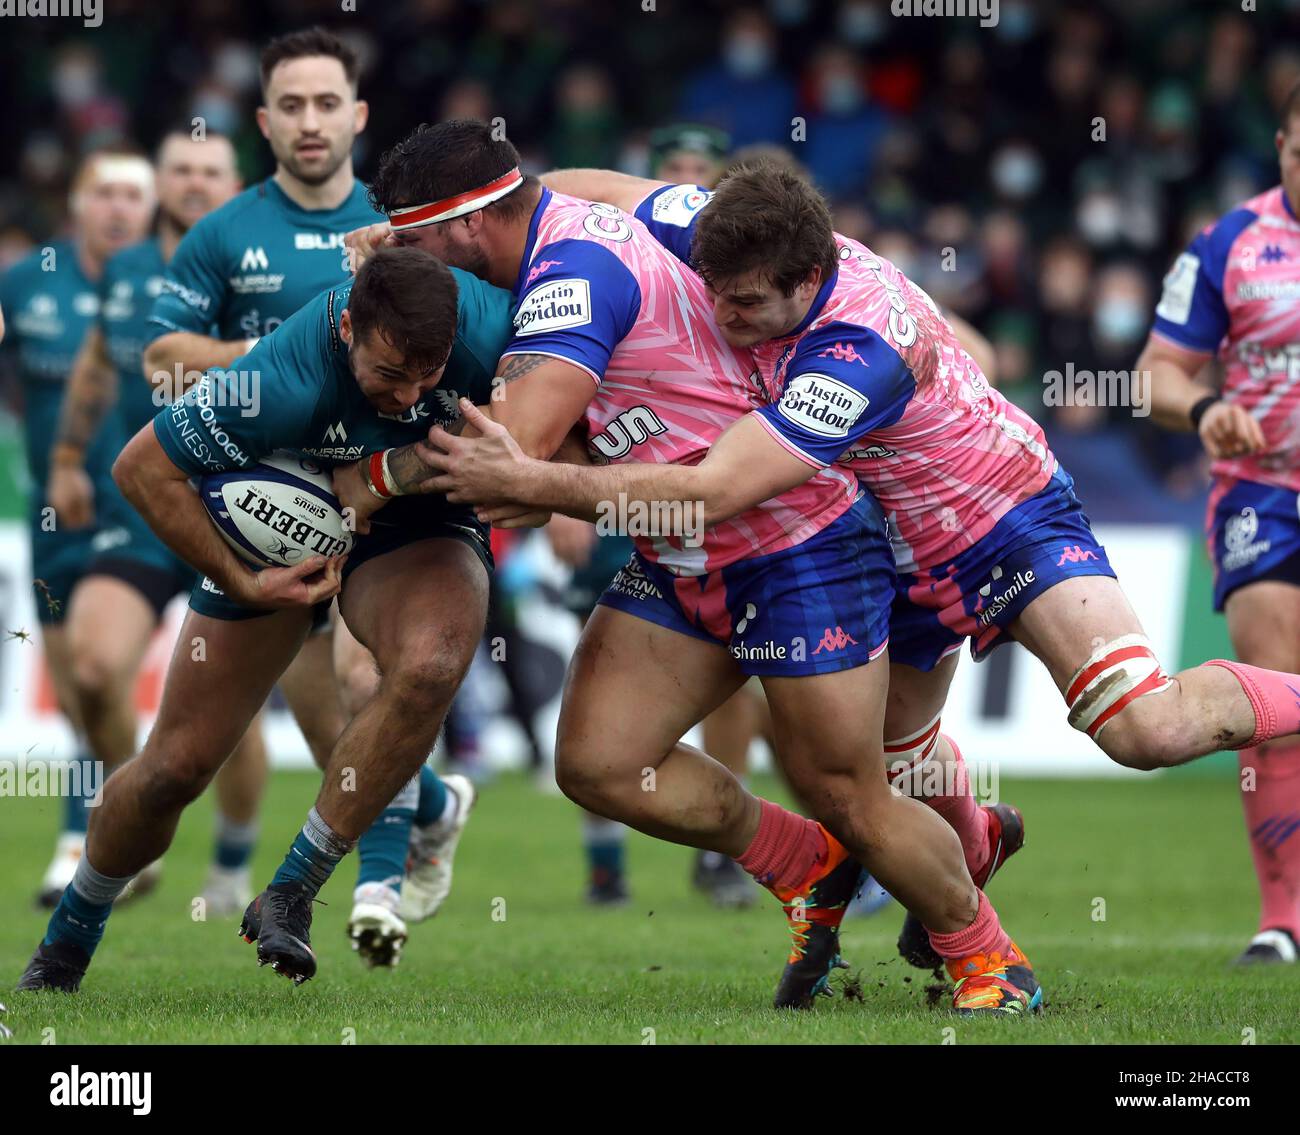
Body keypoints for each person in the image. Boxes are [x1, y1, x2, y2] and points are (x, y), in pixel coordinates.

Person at [436, 160, 1300, 981]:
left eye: (742, 307)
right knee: (890, 770)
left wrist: (534, 483)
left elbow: (714, 489)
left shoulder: (855, 348)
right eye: (715, 296)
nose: (720, 319)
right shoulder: (732, 241)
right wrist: (437, 232)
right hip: (890, 538)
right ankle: (973, 847)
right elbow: (587, 195)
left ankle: (984, 918)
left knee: (1141, 729)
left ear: (807, 284)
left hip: (1002, 518)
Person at [342, 120, 1040, 1015]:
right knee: (599, 760)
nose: (404, 251)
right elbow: (588, 187)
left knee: (844, 788)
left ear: (473, 225)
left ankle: (988, 957)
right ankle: (808, 866)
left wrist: (374, 464)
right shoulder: (566, 217)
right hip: (683, 544)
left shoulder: (569, 279)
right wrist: (553, 476)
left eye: (413, 233)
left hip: (794, 544)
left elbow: (506, 457)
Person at [17, 246, 501, 993]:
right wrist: (247, 576)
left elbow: (548, 432)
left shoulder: (489, 326)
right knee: (173, 768)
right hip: (282, 533)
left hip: (421, 525)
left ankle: (292, 890)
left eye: (426, 377)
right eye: (387, 375)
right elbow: (141, 469)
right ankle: (63, 948)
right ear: (347, 327)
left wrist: (382, 475)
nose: (408, 398)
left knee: (429, 661)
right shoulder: (274, 383)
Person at [142, 27, 470, 955]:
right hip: (270, 501)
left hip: (388, 497)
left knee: (373, 678)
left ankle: (374, 898)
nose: (311, 120)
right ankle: (437, 802)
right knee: (332, 728)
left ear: (359, 115)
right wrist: (272, 354)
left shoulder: (399, 223)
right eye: (291, 105)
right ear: (264, 120)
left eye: (328, 103)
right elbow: (162, 361)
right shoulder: (224, 233)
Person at [46, 128, 265, 916]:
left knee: (229, 721)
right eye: (180, 170)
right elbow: (102, 358)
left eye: (211, 169)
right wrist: (69, 455)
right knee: (96, 671)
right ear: (160, 183)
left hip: (242, 506)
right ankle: (132, 817)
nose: (196, 182)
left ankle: (233, 864)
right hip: (140, 506)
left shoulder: (260, 259)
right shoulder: (131, 265)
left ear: (235, 179)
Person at [1138, 79, 1300, 965]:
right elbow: (1156, 369)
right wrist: (1204, 411)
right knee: (1271, 687)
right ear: (1281, 145)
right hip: (1263, 492)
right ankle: (1283, 918)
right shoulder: (1230, 243)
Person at [0, 148, 155, 908]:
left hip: (143, 512)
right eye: (106, 193)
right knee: (74, 692)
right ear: (78, 202)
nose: (119, 208)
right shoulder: (25, 281)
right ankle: (128, 825)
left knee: (102, 671)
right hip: (55, 515)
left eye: (134, 194)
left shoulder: (171, 286)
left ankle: (85, 839)